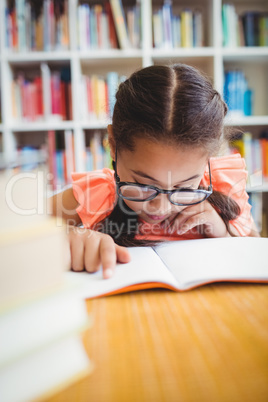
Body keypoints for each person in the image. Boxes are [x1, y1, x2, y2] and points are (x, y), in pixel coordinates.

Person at [52, 63, 259, 279]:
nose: (161, 208)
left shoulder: (224, 185)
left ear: (209, 159)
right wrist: (65, 240)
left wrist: (223, 233)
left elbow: (254, 254)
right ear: (113, 145)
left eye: (185, 187)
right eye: (143, 185)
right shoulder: (97, 195)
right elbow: (19, 236)